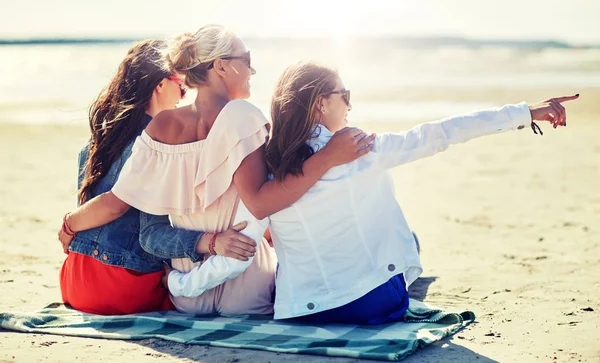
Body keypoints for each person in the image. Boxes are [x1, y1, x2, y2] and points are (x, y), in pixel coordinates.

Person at [166, 62, 575, 324]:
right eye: (344, 96)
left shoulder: (268, 166)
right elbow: (442, 133)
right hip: (372, 306)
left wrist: (181, 287)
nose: (350, 105)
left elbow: (245, 241)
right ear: (319, 105)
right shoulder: (362, 150)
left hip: (301, 313)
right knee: (406, 241)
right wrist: (525, 113)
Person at [59, 26, 374, 315]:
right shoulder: (244, 116)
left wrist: (207, 242)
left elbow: (150, 235)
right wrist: (329, 155)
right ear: (221, 66)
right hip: (247, 286)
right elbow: (267, 205)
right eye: (246, 60)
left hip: (187, 297)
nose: (252, 69)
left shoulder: (161, 126)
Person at [59, 39, 264, 315]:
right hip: (123, 288)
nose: (183, 97)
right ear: (159, 86)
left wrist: (70, 225)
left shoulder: (97, 143)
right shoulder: (154, 148)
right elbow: (131, 217)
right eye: (180, 86)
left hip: (74, 281)